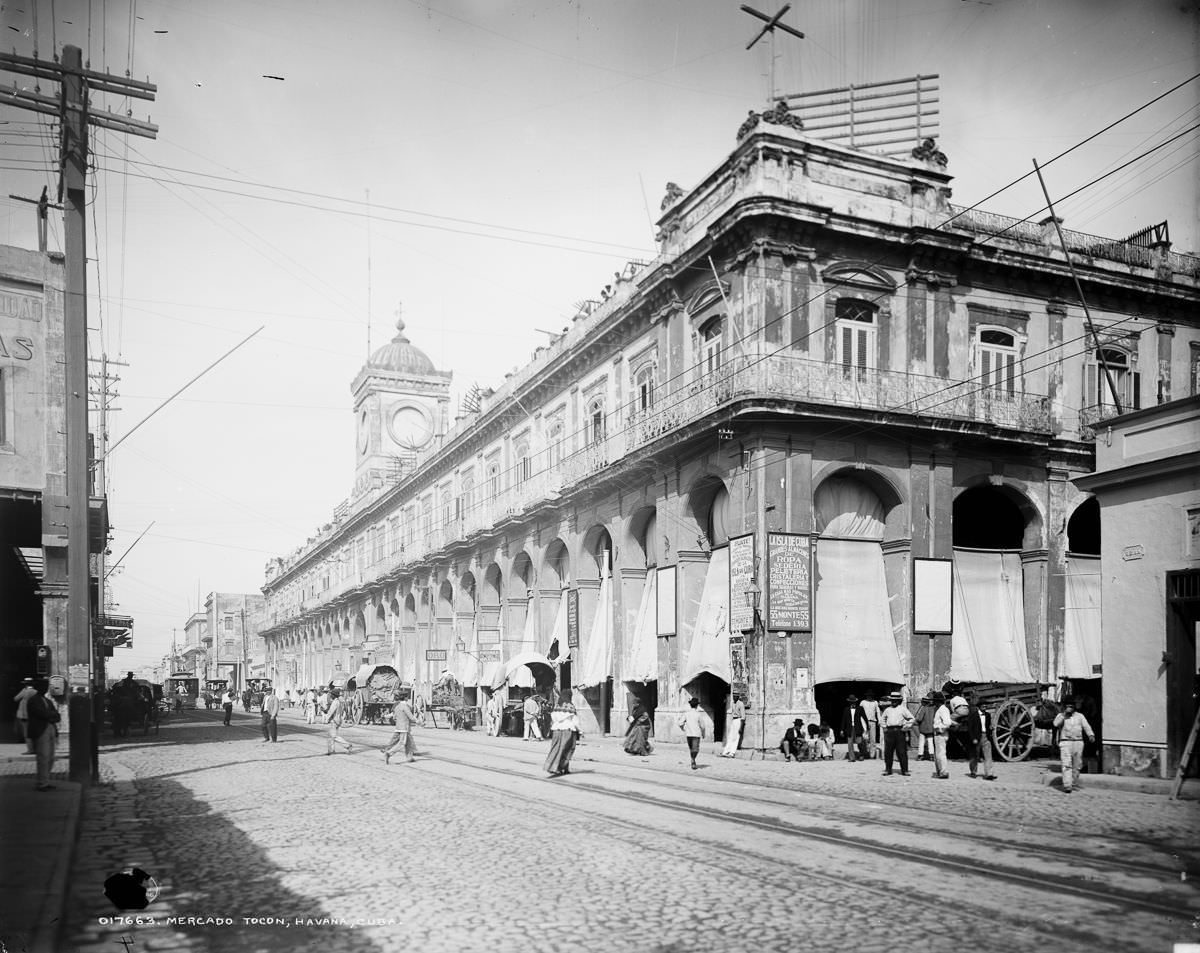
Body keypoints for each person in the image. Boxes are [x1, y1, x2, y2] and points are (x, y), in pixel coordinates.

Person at [1053, 696, 1095, 794]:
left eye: (1071, 706)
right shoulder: (1060, 716)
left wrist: (1091, 734)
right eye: (1068, 706)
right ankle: (1067, 785)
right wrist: (1064, 715)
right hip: (1065, 742)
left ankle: (1073, 781)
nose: (1070, 708)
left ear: (1074, 707)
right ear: (1064, 706)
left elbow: (1086, 726)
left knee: (1077, 765)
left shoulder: (1080, 716)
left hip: (1078, 742)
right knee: (1066, 764)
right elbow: (1055, 724)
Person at [26, 679, 61, 791]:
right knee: (43, 756)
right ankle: (41, 783)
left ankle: (45, 780)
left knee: (50, 757)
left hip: (50, 728)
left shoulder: (47, 700)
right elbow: (41, 713)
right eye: (43, 685)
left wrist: (50, 715)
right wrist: (51, 715)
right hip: (41, 729)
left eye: (46, 686)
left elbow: (57, 716)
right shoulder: (33, 700)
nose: (45, 688)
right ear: (38, 687)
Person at [544, 691, 580, 776]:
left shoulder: (557, 706)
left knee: (556, 748)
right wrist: (580, 730)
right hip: (568, 730)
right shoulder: (570, 706)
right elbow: (575, 721)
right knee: (568, 749)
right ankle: (561, 767)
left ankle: (552, 766)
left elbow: (553, 718)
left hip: (556, 730)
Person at [880, 690, 915, 776]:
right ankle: (888, 769)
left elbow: (912, 718)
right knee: (888, 752)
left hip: (900, 731)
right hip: (889, 731)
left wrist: (906, 727)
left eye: (896, 700)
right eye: (892, 700)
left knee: (901, 751)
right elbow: (882, 720)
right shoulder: (887, 710)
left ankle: (905, 770)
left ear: (899, 700)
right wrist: (884, 727)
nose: (894, 702)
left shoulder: (903, 709)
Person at [382, 691, 421, 764]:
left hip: (398, 727)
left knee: (408, 743)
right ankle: (389, 753)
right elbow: (411, 717)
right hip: (404, 728)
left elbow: (394, 716)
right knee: (402, 743)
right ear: (406, 698)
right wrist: (418, 721)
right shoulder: (405, 707)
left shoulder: (397, 706)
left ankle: (409, 757)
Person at [964, 695, 996, 780]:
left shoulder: (988, 715)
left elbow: (988, 726)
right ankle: (973, 772)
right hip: (977, 737)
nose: (985, 706)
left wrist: (990, 728)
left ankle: (989, 774)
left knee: (988, 756)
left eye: (986, 705)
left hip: (986, 737)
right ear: (979, 706)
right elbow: (970, 728)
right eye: (983, 705)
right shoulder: (973, 715)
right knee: (974, 756)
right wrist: (973, 738)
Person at [677, 696, 709, 771]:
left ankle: (693, 760)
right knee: (695, 749)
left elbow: (680, 723)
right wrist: (703, 734)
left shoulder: (686, 714)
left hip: (689, 734)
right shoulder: (698, 715)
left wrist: (683, 729)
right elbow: (703, 726)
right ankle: (693, 759)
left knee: (692, 749)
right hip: (696, 734)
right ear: (697, 705)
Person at [324, 690, 354, 755]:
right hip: (338, 719)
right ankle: (331, 750)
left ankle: (348, 745)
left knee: (334, 736)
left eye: (331, 694)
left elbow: (331, 711)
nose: (330, 696)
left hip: (334, 720)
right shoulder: (340, 702)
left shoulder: (335, 702)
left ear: (334, 695)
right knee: (330, 736)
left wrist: (327, 719)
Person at [840, 695, 868, 761]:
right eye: (851, 702)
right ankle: (852, 757)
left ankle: (861, 755)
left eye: (853, 702)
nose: (852, 703)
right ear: (849, 702)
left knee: (859, 742)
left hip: (858, 727)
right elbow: (844, 720)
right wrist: (842, 729)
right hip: (850, 728)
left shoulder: (860, 708)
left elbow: (864, 718)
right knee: (850, 743)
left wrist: (867, 728)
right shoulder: (846, 709)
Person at [931, 691, 952, 779]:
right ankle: (940, 771)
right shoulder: (939, 709)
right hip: (938, 734)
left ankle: (943, 771)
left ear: (938, 701)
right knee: (938, 754)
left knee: (941, 754)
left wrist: (940, 729)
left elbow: (947, 723)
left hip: (941, 734)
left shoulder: (943, 709)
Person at [14, 677, 37, 754]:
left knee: (26, 733)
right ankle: (34, 748)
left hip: (24, 715)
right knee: (33, 732)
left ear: (25, 685)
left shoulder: (25, 691)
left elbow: (16, 698)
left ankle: (30, 750)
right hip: (33, 715)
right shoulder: (35, 691)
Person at [720, 693, 745, 758]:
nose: (734, 697)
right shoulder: (733, 703)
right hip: (733, 720)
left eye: (736, 696)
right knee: (730, 736)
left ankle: (732, 752)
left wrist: (741, 727)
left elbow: (743, 717)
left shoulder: (741, 704)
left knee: (735, 737)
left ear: (738, 697)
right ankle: (726, 751)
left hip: (738, 720)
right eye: (733, 696)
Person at [913, 695, 936, 761]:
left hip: (923, 728)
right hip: (931, 728)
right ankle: (932, 756)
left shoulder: (923, 709)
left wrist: (916, 720)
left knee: (921, 742)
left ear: (924, 702)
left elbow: (920, 719)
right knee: (930, 742)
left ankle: (920, 755)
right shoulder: (933, 708)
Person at [859, 691, 881, 759]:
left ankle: (872, 754)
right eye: (868, 695)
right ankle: (864, 753)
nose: (869, 697)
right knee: (864, 738)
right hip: (864, 722)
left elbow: (877, 711)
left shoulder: (875, 702)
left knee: (873, 739)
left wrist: (879, 720)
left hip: (872, 721)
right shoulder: (863, 702)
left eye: (871, 695)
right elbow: (860, 712)